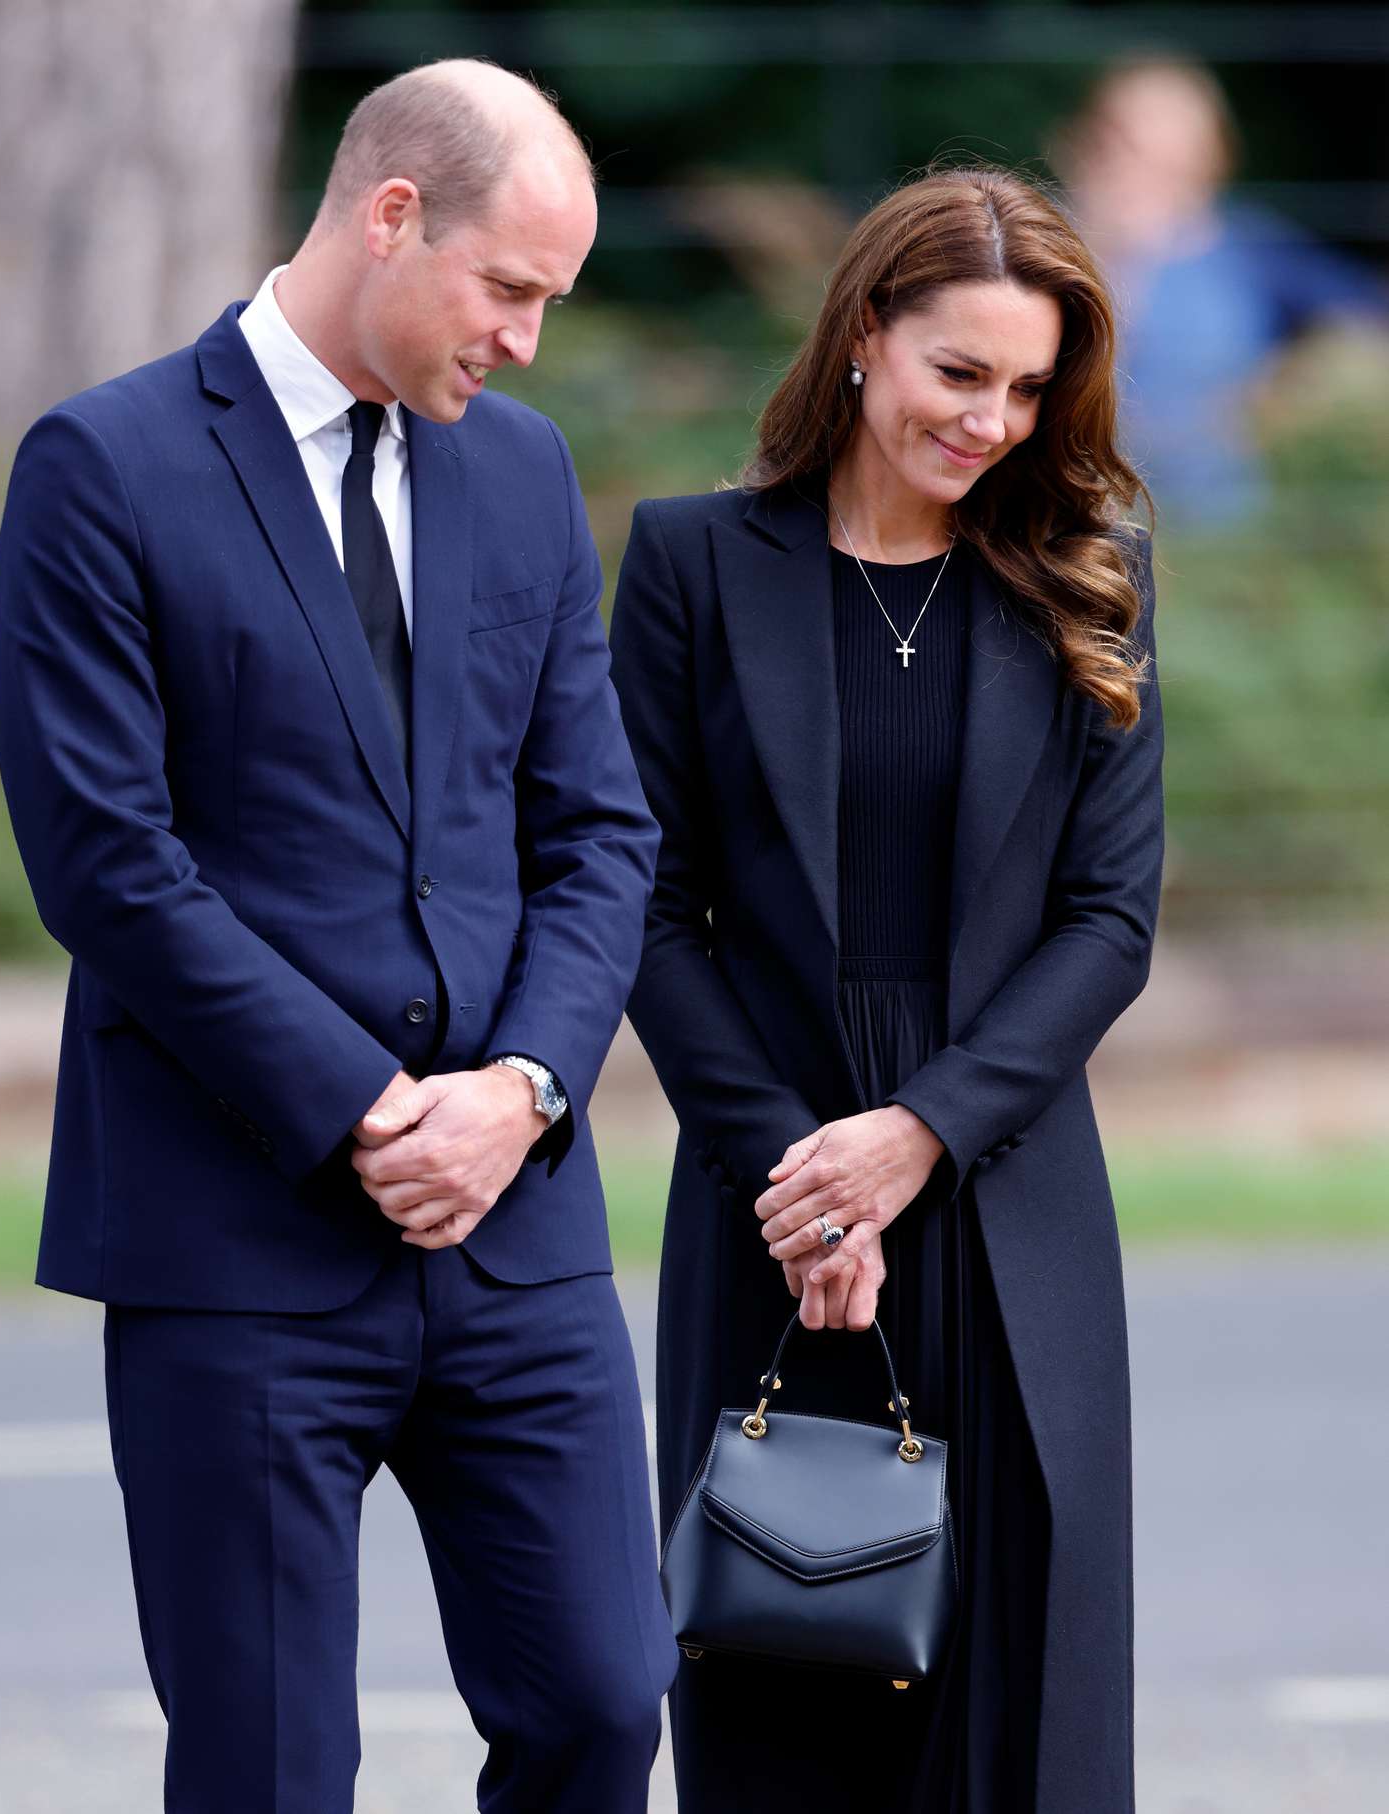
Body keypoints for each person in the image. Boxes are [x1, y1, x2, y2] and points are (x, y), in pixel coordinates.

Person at [0, 59, 676, 1813]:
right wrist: (372, 1111)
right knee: (270, 1770)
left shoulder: (521, 473)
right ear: (390, 215)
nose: (526, 340)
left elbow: (599, 828)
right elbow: (106, 865)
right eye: (510, 287)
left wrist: (517, 1089)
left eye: (551, 302)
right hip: (240, 1240)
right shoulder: (105, 462)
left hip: (514, 1235)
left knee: (604, 1700)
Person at [609, 166, 1164, 1813]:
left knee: (1025, 1703)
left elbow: (1108, 918)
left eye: (1026, 386)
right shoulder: (694, 565)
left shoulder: (1090, 571)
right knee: (781, 1683)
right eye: (958, 371)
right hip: (768, 1190)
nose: (993, 417)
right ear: (863, 336)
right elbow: (645, 901)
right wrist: (801, 1177)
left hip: (1011, 1197)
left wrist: (918, 1131)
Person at [1052, 58, 1388, 525]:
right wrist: (1116, 256)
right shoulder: (1036, 240)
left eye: (1170, 157)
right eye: (1125, 145)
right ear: (1083, 144)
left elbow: (1366, 320)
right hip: (1070, 518)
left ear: (1211, 161)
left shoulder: (1249, 247)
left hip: (1219, 526)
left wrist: (1282, 388)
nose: (1140, 170)